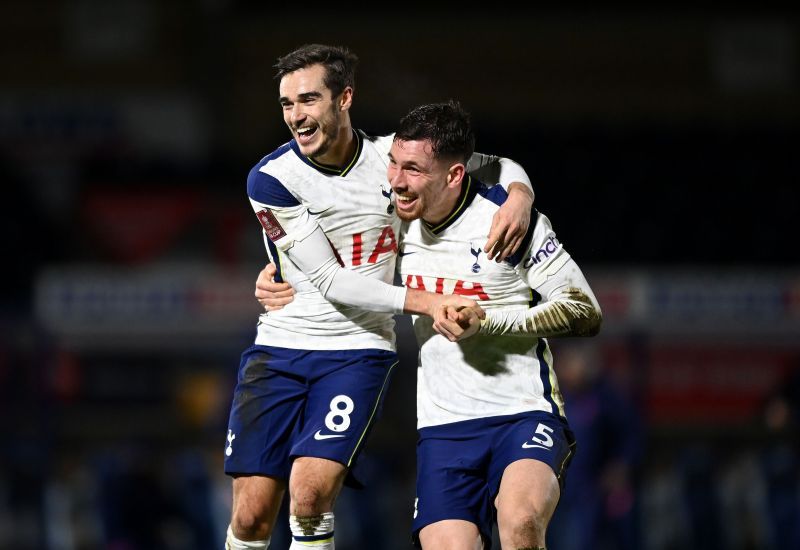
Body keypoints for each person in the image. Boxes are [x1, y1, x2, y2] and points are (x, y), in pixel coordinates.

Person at [225, 44, 534, 550]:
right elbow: (329, 281)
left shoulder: (395, 160)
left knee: (308, 496)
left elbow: (495, 165)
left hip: (357, 350)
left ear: (344, 98)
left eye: (308, 100)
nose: (296, 116)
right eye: (286, 104)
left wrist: (520, 195)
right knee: (252, 515)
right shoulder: (272, 179)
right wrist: (428, 302)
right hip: (280, 347)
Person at [258, 100, 602, 549]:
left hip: (522, 412)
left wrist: (489, 321)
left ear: (454, 175)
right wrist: (276, 276)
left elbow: (585, 311)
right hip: (443, 428)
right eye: (394, 164)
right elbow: (331, 267)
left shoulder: (508, 222)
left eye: (413, 169)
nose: (397, 181)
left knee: (519, 523)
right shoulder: (392, 218)